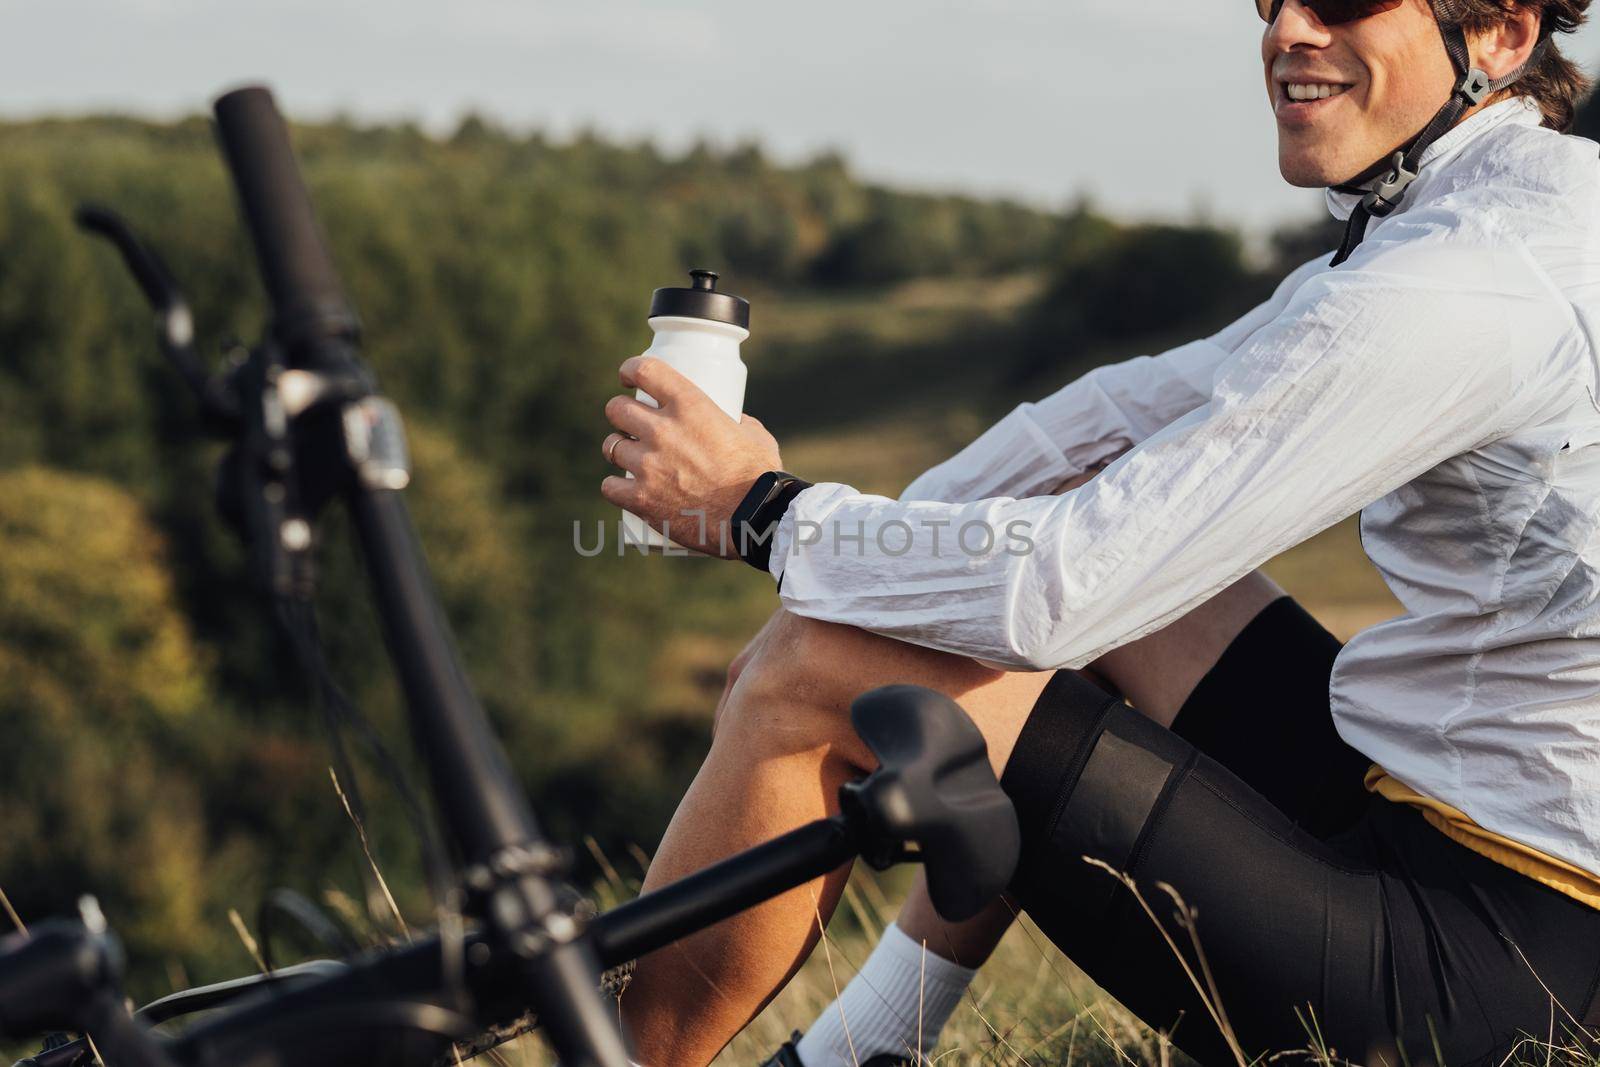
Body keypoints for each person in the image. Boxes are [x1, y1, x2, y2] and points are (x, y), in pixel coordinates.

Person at [598, 0, 1600, 1062]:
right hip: (1452, 824)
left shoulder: (1469, 278)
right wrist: (857, 558)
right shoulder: (1507, 210)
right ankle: (856, 1054)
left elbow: (1062, 589)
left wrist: (769, 517)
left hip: (1497, 969)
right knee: (934, 591)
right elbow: (1121, 416)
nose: (1288, 31)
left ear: (1498, 36)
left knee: (821, 667)